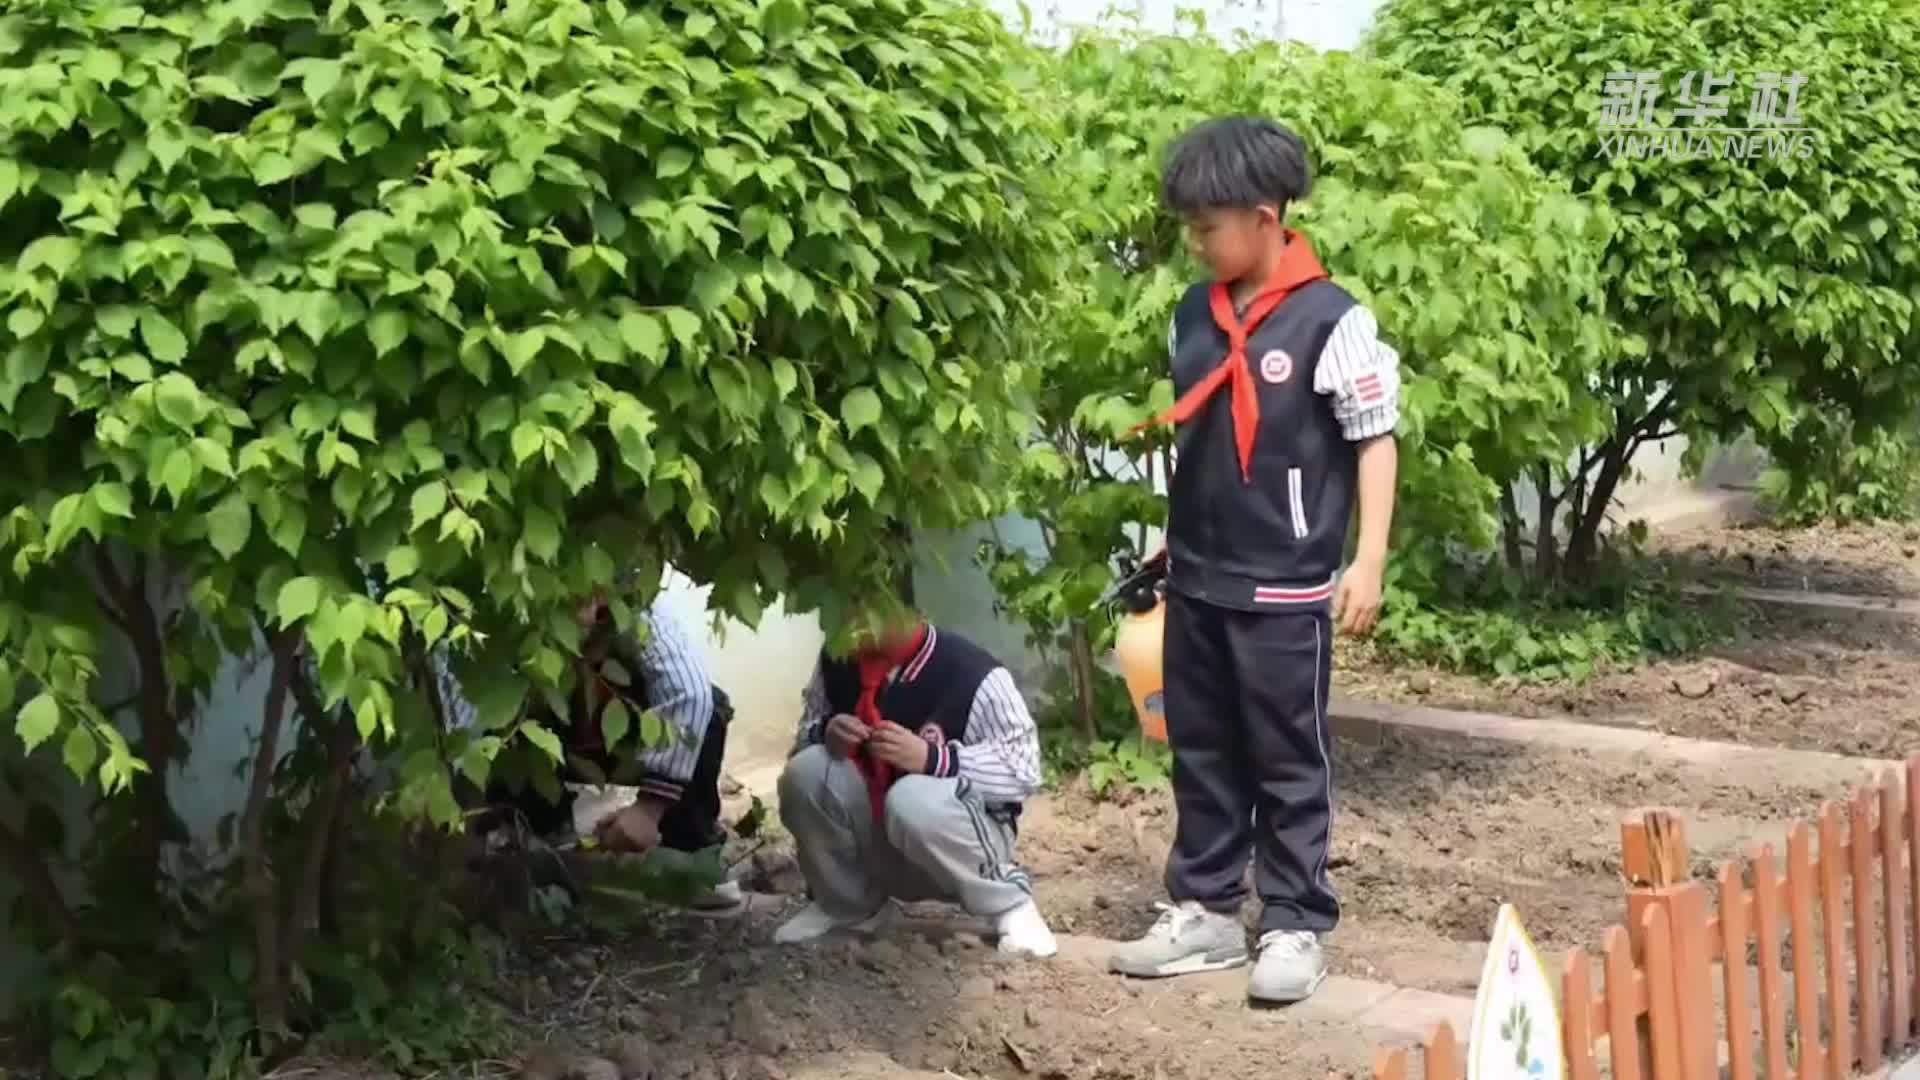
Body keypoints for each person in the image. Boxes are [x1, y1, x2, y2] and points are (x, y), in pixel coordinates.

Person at [1106, 116, 1401, 1004]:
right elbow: (1201, 441)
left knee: (1285, 755)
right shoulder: (1192, 315)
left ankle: (1295, 921)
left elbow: (1374, 440)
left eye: (1207, 228)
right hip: (1199, 577)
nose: (1194, 245)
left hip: (1287, 584)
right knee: (1200, 746)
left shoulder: (1333, 321)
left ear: (1266, 216)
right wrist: (1175, 540)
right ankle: (1204, 909)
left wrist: (1368, 561)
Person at [771, 612, 1058, 958]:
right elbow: (803, 738)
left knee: (912, 800)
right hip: (876, 838)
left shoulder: (971, 671)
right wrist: (825, 731)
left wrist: (933, 759)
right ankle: (848, 907)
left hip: (955, 845)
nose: (842, 624)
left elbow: (1023, 771)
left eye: (860, 609)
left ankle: (1009, 905)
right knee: (806, 772)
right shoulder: (837, 659)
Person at [444, 591, 745, 914]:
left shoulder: (640, 605)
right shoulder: (495, 609)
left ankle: (690, 853)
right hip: (557, 735)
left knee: (710, 711)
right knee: (507, 711)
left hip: (626, 736)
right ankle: (539, 837)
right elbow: (460, 717)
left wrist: (648, 809)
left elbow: (691, 694)